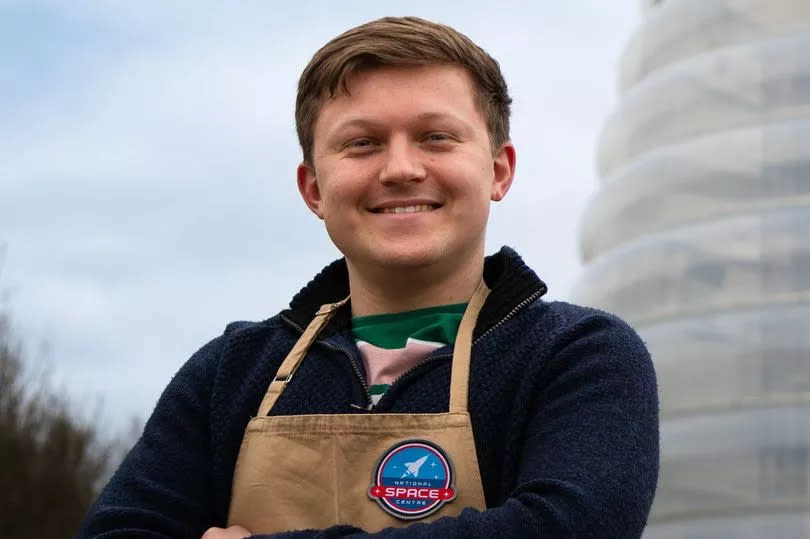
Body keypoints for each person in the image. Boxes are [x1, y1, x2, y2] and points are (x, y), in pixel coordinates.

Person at [79, 16, 658, 539]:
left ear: (498, 170)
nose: (401, 168)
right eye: (362, 143)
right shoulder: (228, 372)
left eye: (437, 137)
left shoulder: (578, 357)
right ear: (313, 189)